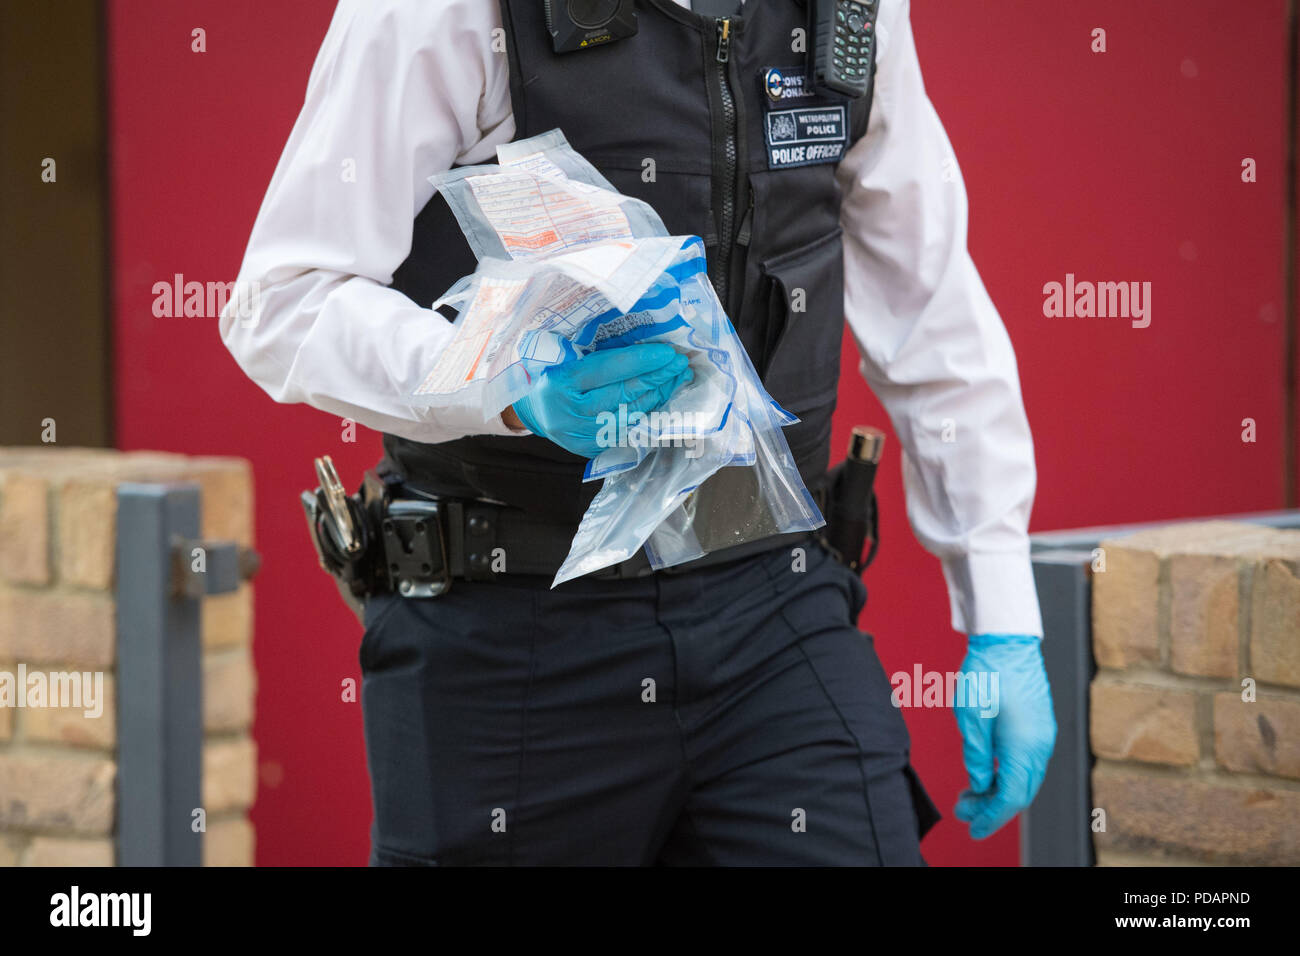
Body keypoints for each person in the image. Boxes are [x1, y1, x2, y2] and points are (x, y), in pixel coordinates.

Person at [221, 0, 1056, 866]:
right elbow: (284, 301)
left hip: (772, 594)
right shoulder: (441, 12)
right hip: (510, 626)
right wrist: (505, 379)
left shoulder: (851, 12)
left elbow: (932, 311)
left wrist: (1002, 612)